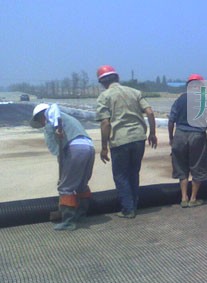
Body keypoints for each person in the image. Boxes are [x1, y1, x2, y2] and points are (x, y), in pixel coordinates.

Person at [95, 65, 157, 218]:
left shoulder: (104, 97)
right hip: (138, 138)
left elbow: (105, 123)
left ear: (102, 82)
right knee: (133, 173)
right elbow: (149, 112)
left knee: (121, 175)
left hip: (120, 140)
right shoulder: (134, 92)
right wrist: (152, 133)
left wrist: (104, 147)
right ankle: (134, 205)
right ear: (117, 78)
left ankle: (128, 210)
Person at [30, 103, 95, 231]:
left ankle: (68, 221)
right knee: (81, 185)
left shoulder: (50, 122)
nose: (42, 124)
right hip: (89, 148)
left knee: (65, 187)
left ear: (41, 116)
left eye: (40, 121)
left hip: (75, 149)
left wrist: (63, 175)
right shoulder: (65, 118)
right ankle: (81, 215)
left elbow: (56, 150)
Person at [168, 74, 207, 208]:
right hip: (197, 136)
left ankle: (184, 198)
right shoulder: (204, 100)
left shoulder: (180, 100)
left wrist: (171, 138)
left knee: (181, 166)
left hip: (180, 134)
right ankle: (193, 198)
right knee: (198, 165)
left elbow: (171, 120)